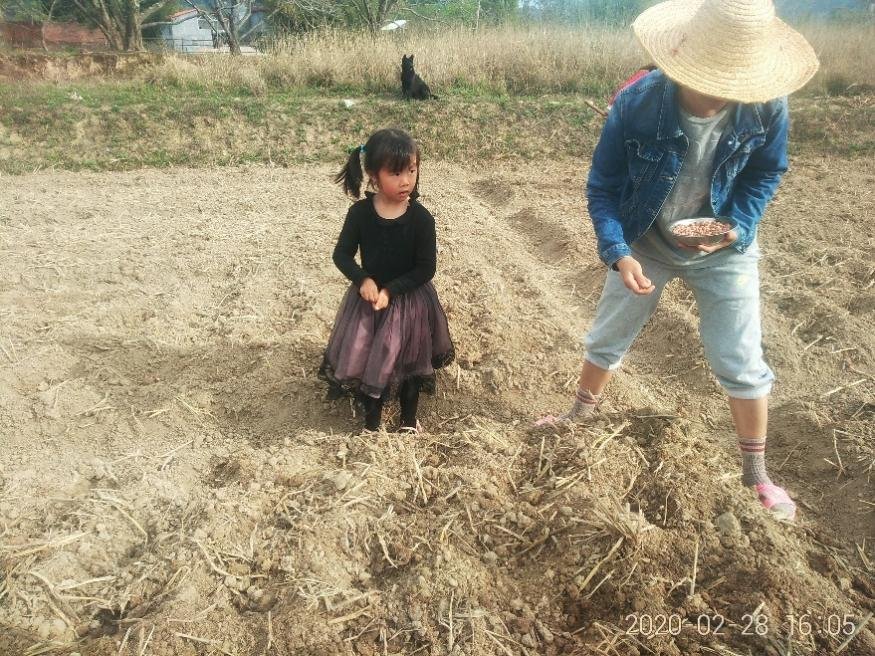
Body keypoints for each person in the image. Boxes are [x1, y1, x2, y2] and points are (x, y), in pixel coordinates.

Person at [537, 0, 819, 522]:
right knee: (609, 333)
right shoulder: (638, 104)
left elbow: (765, 172)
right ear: (683, 56)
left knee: (739, 358)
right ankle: (578, 415)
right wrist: (619, 254)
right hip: (646, 238)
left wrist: (737, 223)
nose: (721, 91)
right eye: (711, 76)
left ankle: (756, 474)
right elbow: (602, 188)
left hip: (724, 248)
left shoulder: (766, 105)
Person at [319, 128, 454, 433]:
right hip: (368, 301)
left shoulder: (421, 219)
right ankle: (372, 420)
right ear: (373, 175)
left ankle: (408, 420)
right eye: (396, 173)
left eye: (412, 170)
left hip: (410, 301)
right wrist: (362, 279)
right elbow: (341, 255)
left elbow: (425, 268)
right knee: (370, 354)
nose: (406, 180)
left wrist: (392, 290)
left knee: (409, 360)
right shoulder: (360, 214)